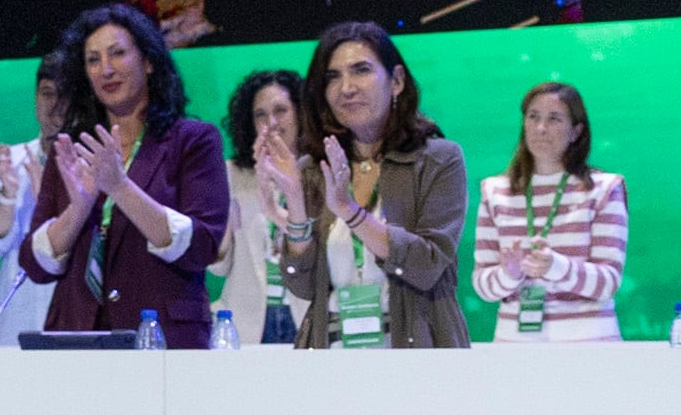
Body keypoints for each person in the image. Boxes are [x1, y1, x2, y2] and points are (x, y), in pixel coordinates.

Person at [18, 3, 229, 346]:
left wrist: (120, 187)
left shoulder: (193, 140)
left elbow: (203, 247)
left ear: (147, 61)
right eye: (93, 59)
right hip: (76, 338)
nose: (106, 69)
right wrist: (79, 208)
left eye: (117, 54)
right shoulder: (71, 148)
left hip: (163, 339)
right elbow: (35, 265)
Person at [276, 23, 471, 348]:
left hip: (415, 351)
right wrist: (295, 205)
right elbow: (303, 287)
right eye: (333, 77)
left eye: (361, 70)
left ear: (396, 81)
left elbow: (428, 265)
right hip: (333, 352)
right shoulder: (315, 166)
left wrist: (350, 212)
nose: (346, 88)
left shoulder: (439, 159)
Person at [468, 82, 628, 341]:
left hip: (589, 345)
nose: (541, 128)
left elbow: (608, 282)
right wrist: (509, 273)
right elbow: (484, 286)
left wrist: (555, 266)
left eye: (554, 119)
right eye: (533, 117)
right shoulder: (494, 191)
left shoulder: (604, 189)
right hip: (514, 345)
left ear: (576, 131)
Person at [0, 54, 68, 347]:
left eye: (65, 94)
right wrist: (7, 195)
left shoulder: (97, 161)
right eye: (47, 93)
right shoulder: (12, 160)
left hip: (76, 321)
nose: (55, 106)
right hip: (15, 328)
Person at [214, 67, 307, 344]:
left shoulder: (318, 174)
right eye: (260, 115)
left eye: (281, 110)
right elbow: (217, 267)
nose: (271, 122)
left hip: (306, 315)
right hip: (246, 322)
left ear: (300, 115)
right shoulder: (230, 174)